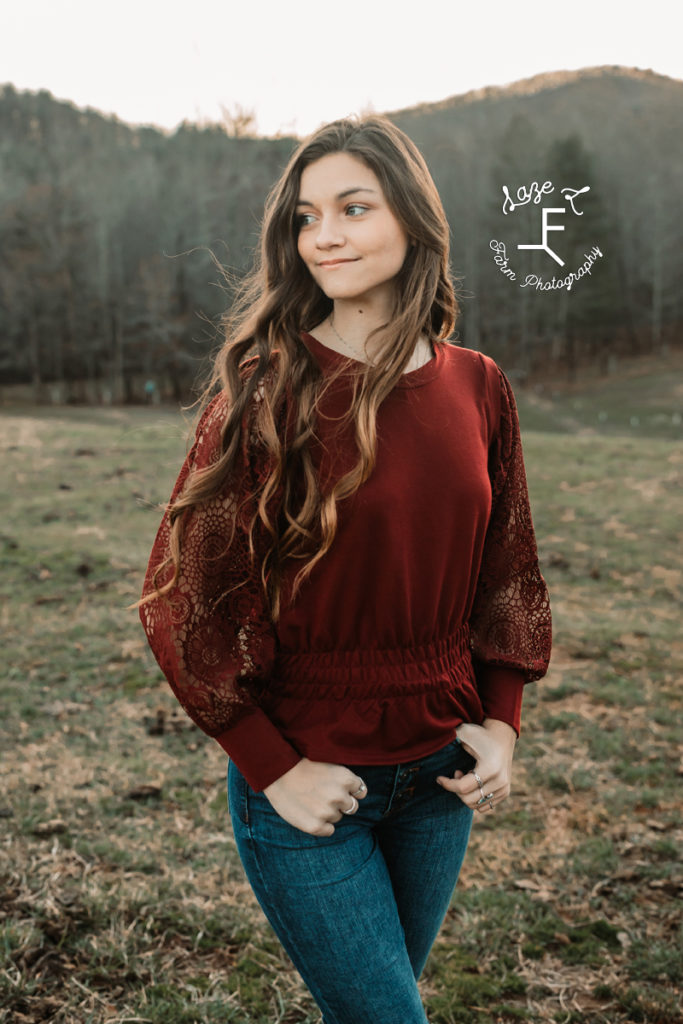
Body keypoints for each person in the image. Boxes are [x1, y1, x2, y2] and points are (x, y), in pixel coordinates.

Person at [139, 115, 551, 1024]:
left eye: (352, 209)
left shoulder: (478, 384)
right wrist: (272, 768)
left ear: (411, 219)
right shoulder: (262, 385)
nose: (322, 235)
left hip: (441, 777)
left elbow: (506, 569)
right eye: (304, 216)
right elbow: (186, 602)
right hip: (311, 782)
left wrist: (503, 723)